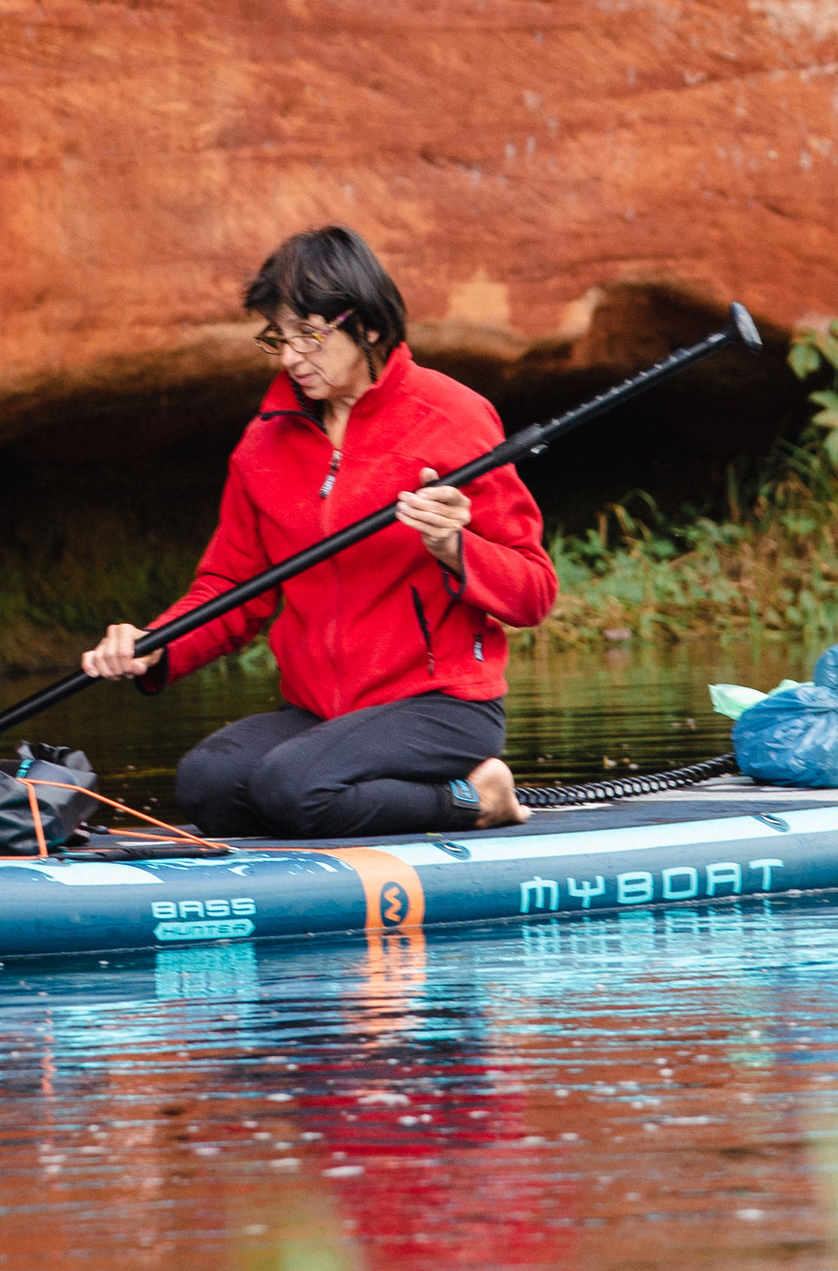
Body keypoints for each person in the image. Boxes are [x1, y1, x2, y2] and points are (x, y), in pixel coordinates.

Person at [80, 224, 556, 837]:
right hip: (320, 714)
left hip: (442, 706)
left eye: (309, 334)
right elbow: (231, 588)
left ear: (371, 327)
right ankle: (336, 798)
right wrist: (156, 645)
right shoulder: (263, 444)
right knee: (206, 782)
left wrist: (455, 550)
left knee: (294, 786)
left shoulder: (453, 418)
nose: (289, 358)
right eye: (278, 337)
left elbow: (533, 591)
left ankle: (477, 797)